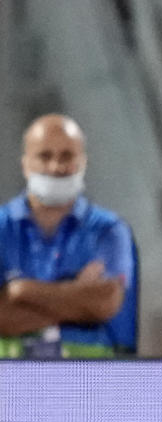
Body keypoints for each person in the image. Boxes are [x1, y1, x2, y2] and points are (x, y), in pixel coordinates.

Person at [0, 114, 134, 358]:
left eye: (67, 156)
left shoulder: (109, 230)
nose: (56, 166)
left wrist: (22, 291)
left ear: (83, 161)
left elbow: (104, 304)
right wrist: (77, 296)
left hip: (88, 379)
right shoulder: (2, 228)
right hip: (9, 378)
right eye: (45, 156)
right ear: (25, 164)